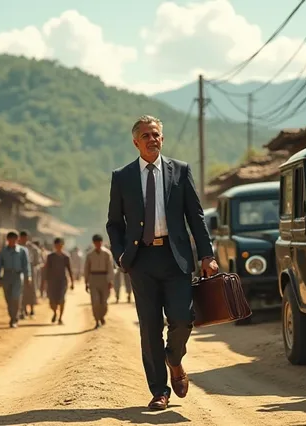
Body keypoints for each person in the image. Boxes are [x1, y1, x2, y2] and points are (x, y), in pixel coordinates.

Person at [106, 115, 217, 410]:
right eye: (145, 136)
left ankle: (174, 359)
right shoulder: (122, 176)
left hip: (176, 257)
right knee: (150, 327)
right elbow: (114, 223)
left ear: (162, 138)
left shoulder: (180, 171)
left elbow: (196, 216)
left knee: (183, 318)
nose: (152, 139)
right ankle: (159, 391)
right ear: (135, 142)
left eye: (155, 134)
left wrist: (207, 255)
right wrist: (120, 255)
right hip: (141, 260)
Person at [0, 232, 30, 328]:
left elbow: (26, 264)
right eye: (10, 239)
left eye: (14, 239)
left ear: (17, 239)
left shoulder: (22, 251)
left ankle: (14, 318)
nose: (12, 242)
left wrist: (28, 276)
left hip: (18, 276)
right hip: (6, 276)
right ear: (7, 240)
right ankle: (12, 316)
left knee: (16, 297)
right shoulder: (3, 251)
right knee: (8, 299)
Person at [83, 234, 114, 328]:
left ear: (102, 242)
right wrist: (86, 282)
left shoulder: (107, 253)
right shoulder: (90, 255)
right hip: (93, 278)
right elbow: (86, 268)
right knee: (95, 301)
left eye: (99, 242)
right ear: (93, 243)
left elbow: (110, 268)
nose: (98, 244)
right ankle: (96, 320)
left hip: (104, 278)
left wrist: (110, 281)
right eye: (96, 243)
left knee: (104, 302)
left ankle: (102, 316)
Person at [43, 237, 73, 325]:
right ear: (55, 246)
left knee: (62, 300)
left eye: (60, 245)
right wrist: (45, 282)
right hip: (52, 282)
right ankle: (55, 312)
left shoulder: (66, 257)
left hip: (62, 281)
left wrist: (72, 282)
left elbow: (69, 269)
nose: (59, 246)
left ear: (62, 245)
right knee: (52, 300)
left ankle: (60, 318)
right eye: (57, 245)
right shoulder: (50, 257)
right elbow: (47, 269)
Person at [19, 230, 41, 318]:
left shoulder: (33, 248)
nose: (23, 239)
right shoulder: (17, 247)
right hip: (20, 272)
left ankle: (32, 309)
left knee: (31, 291)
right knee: (22, 291)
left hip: (31, 272)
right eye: (22, 237)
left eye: (25, 237)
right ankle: (23, 310)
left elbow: (37, 261)